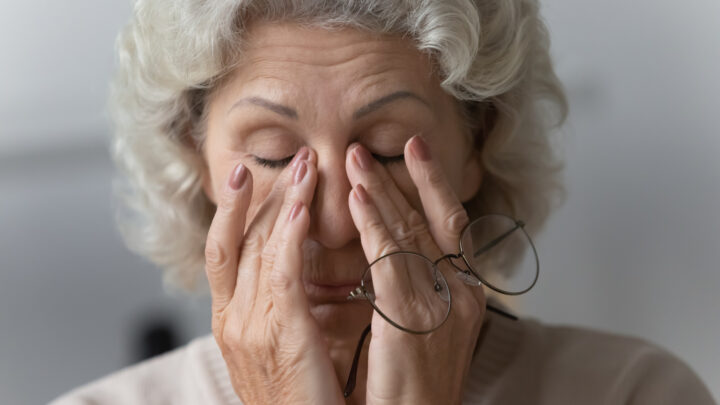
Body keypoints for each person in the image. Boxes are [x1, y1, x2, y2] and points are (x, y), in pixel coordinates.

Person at [51, 0, 715, 404]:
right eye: (276, 155)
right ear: (196, 156)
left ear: (480, 143)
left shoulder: (635, 393)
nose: (337, 220)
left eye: (391, 150)